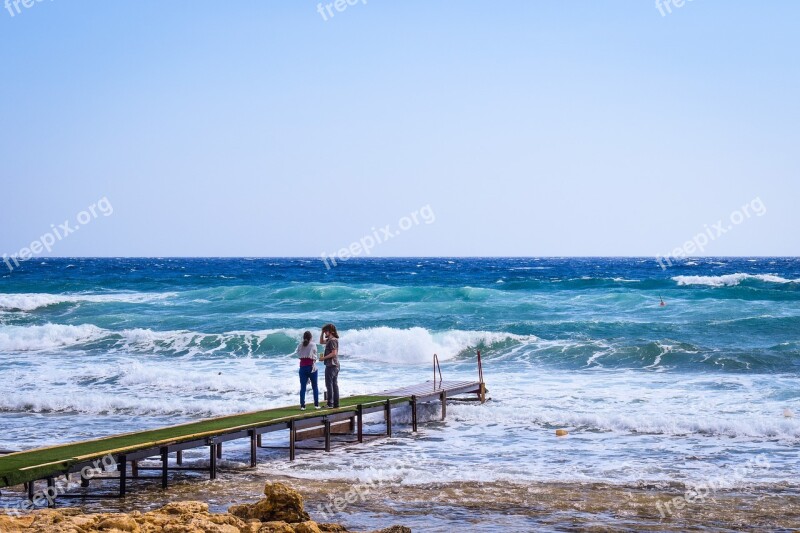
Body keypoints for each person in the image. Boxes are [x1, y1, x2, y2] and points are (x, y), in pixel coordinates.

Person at [296, 331, 320, 410]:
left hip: (302, 367)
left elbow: (299, 355)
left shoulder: (300, 345)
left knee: (303, 387)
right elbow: (315, 356)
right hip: (311, 367)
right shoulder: (313, 345)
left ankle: (302, 406)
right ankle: (316, 405)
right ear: (311, 337)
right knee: (315, 386)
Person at [319, 323, 340, 408]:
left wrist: (324, 358)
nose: (325, 333)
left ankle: (330, 403)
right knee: (334, 384)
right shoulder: (330, 340)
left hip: (331, 365)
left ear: (330, 331)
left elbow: (334, 353)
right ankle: (335, 403)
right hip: (335, 365)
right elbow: (321, 342)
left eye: (326, 331)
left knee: (329, 385)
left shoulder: (332, 340)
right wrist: (322, 333)